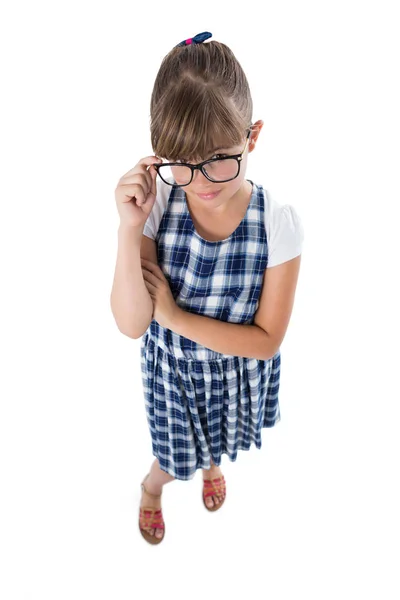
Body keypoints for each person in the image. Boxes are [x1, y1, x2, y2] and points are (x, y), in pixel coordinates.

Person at [110, 32, 304, 545]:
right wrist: (129, 228)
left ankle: (210, 462)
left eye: (221, 156)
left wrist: (173, 317)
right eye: (182, 162)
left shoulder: (277, 225)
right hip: (174, 378)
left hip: (233, 376)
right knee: (174, 457)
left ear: (252, 136)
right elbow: (132, 324)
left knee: (216, 442)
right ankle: (154, 486)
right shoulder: (156, 209)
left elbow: (265, 341)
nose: (201, 180)